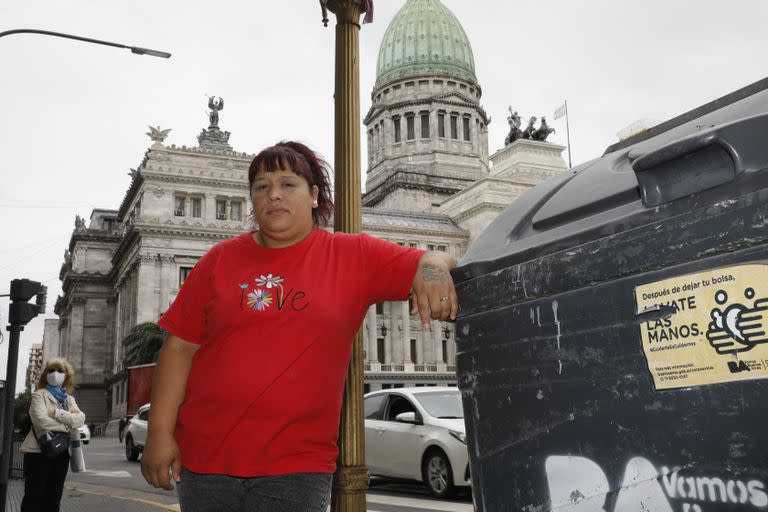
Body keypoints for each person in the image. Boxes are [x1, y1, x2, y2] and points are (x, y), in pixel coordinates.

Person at [140, 141, 458, 512]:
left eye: (287, 183)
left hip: (296, 466)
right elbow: (179, 349)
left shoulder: (351, 256)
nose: (273, 194)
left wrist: (432, 271)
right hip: (206, 462)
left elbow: (434, 256)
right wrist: (159, 434)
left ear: (313, 195)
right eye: (261, 186)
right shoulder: (218, 260)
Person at [20, 357, 85, 512]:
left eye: (60, 370)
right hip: (38, 452)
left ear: (66, 376)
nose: (55, 373)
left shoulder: (69, 399)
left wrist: (56, 413)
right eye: (51, 370)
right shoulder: (39, 395)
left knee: (54, 498)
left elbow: (81, 420)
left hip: (61, 453)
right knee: (33, 498)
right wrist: (68, 424)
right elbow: (41, 421)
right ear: (45, 375)